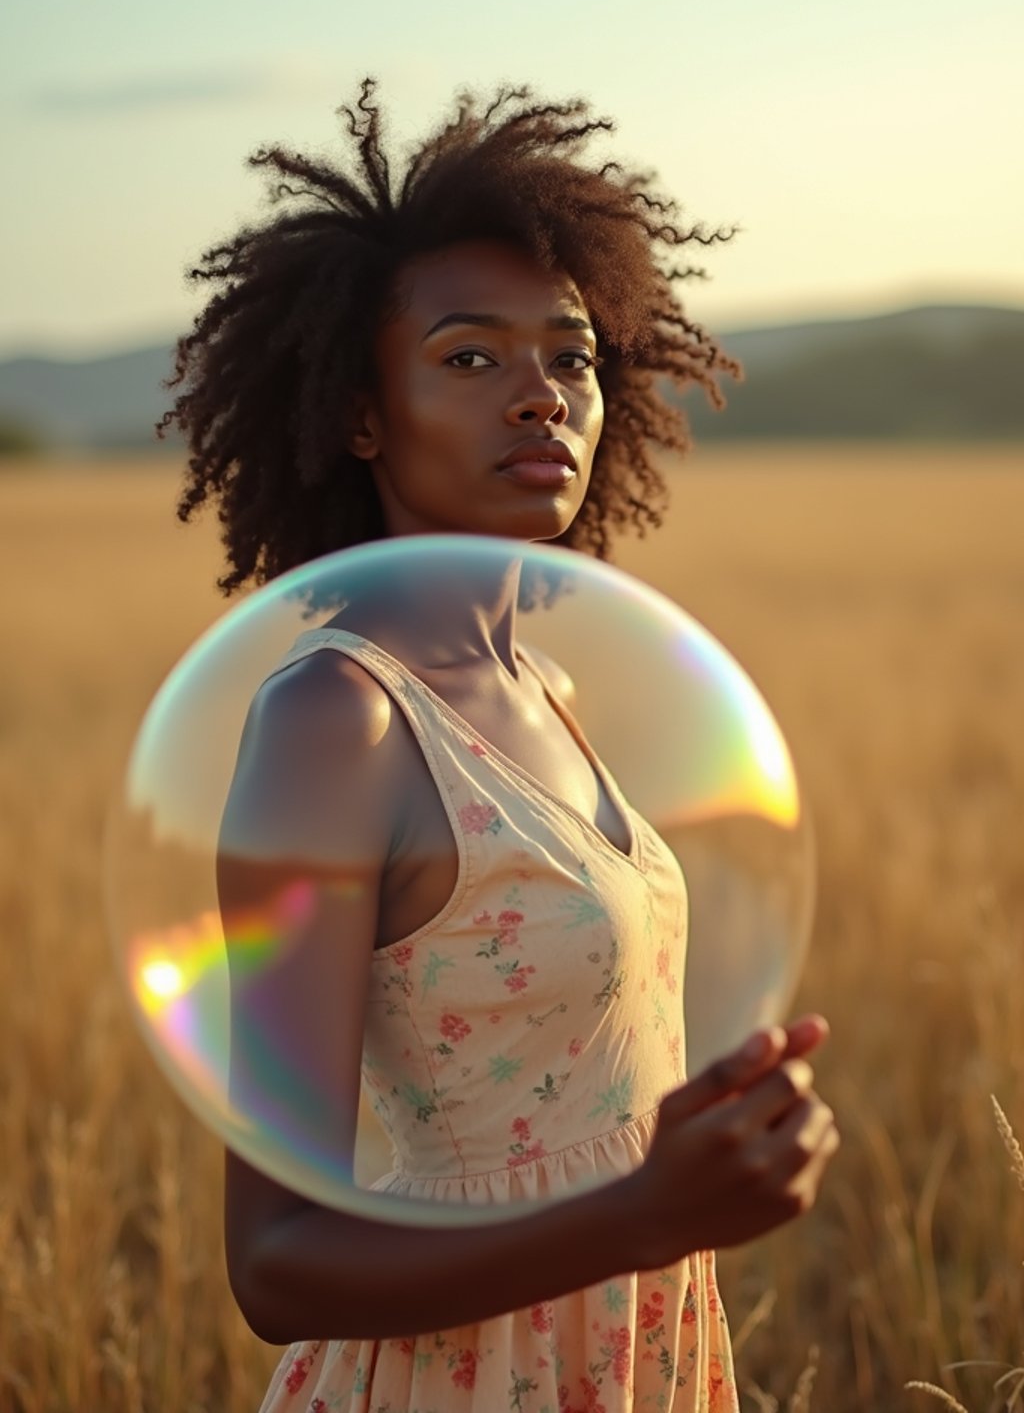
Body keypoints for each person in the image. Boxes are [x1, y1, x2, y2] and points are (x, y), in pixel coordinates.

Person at [158, 79, 840, 1413]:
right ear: (362, 414)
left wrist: (711, 1143)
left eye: (571, 357)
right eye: (471, 357)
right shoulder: (336, 719)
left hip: (621, 1351)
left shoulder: (550, 682)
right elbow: (276, 1265)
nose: (540, 396)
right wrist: (640, 1214)